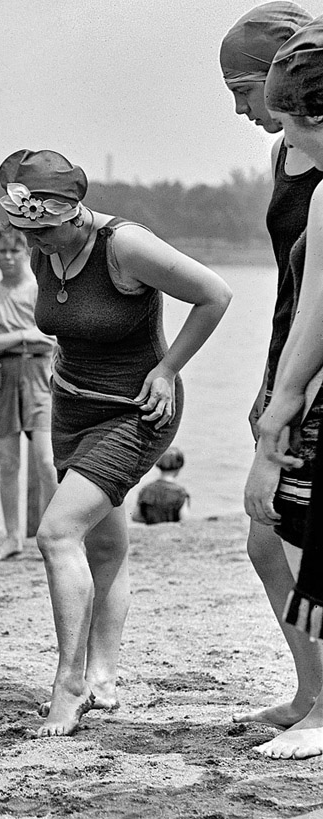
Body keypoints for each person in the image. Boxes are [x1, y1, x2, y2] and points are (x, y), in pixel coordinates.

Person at [0, 149, 232, 737]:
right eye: (27, 232)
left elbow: (215, 294)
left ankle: (69, 681)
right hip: (71, 408)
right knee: (104, 547)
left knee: (55, 533)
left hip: (137, 411)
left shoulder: (124, 245)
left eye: (43, 231)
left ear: (74, 213)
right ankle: (102, 675)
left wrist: (169, 369)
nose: (35, 244)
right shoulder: (44, 244)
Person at [220, 1, 323, 738]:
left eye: (240, 91)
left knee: (287, 535)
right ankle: (309, 695)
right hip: (294, 347)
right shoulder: (288, 153)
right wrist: (269, 389)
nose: (241, 111)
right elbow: (297, 288)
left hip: (311, 366)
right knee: (269, 539)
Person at [0, 222, 58, 561]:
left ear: (27, 252)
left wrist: (35, 340)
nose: (8, 257)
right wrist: (24, 336)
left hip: (41, 376)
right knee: (9, 463)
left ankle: (55, 533)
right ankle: (12, 537)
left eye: (15, 250)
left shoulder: (41, 291)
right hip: (3, 377)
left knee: (47, 461)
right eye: (2, 251)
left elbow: (57, 338)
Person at [132, 447, 190, 525]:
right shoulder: (180, 493)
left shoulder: (146, 489)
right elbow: (185, 520)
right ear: (180, 466)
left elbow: (136, 516)